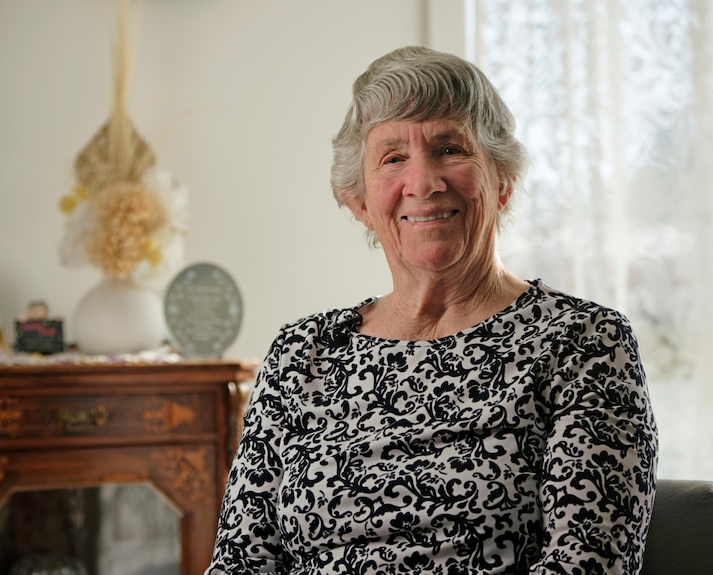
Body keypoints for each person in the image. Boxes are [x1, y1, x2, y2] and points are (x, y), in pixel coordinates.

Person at [205, 46, 658, 575]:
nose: (423, 183)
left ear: (502, 181)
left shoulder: (583, 340)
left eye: (449, 150)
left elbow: (589, 563)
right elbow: (241, 562)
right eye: (393, 158)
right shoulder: (301, 354)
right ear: (360, 202)